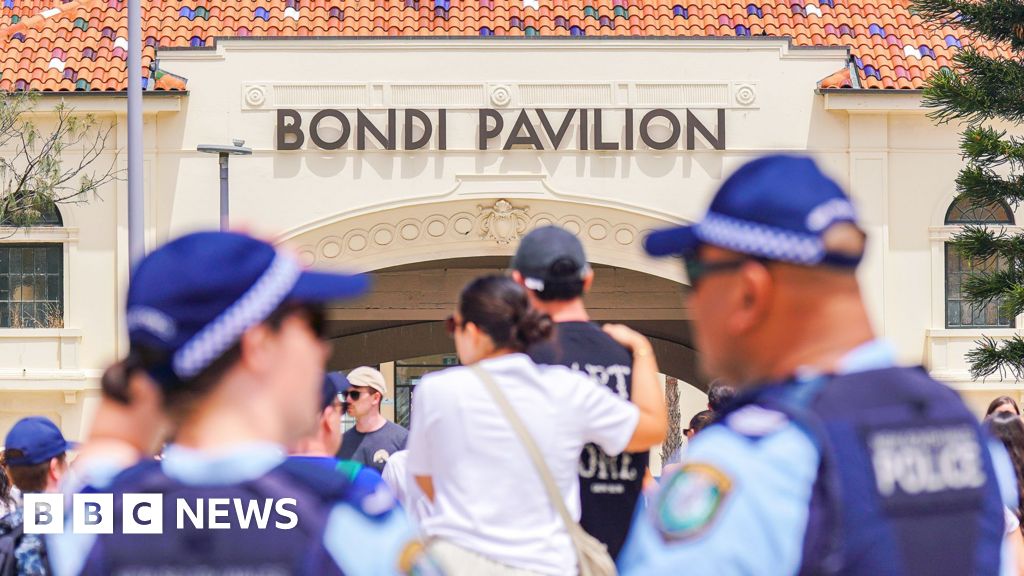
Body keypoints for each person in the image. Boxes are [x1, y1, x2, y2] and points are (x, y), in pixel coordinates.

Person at [620, 155, 1014, 575]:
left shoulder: (748, 462)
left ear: (750, 291)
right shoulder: (965, 433)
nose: (692, 299)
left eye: (696, 271)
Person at [51, 231, 427, 576]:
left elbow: (110, 441)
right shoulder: (348, 516)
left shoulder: (89, 518)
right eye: (313, 324)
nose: (323, 348)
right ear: (258, 345)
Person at [406, 275, 667, 575]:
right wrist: (642, 350)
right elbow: (652, 428)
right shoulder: (567, 388)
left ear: (473, 331)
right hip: (547, 563)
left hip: (458, 562)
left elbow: (424, 477)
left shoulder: (436, 390)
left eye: (454, 325)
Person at [512, 225, 651, 560]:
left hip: (538, 554)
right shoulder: (628, 353)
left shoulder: (516, 360)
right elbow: (652, 429)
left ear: (519, 283)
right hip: (616, 555)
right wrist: (643, 352)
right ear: (587, 280)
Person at [0, 417, 75, 576]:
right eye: (65, 463)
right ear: (55, 469)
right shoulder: (78, 533)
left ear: (10, 473)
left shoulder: (6, 528)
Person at [337, 366, 409, 473]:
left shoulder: (402, 439)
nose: (348, 400)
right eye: (345, 394)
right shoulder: (341, 442)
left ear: (376, 398)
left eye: (354, 394)